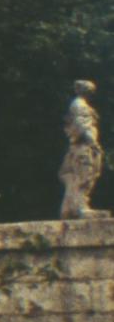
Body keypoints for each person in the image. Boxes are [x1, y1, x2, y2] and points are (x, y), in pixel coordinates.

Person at [65, 78, 102, 221]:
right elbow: (81, 124)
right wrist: (91, 140)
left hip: (86, 145)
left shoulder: (81, 104)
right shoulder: (79, 105)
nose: (92, 93)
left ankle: (73, 206)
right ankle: (79, 207)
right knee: (84, 175)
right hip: (85, 146)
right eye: (90, 90)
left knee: (86, 175)